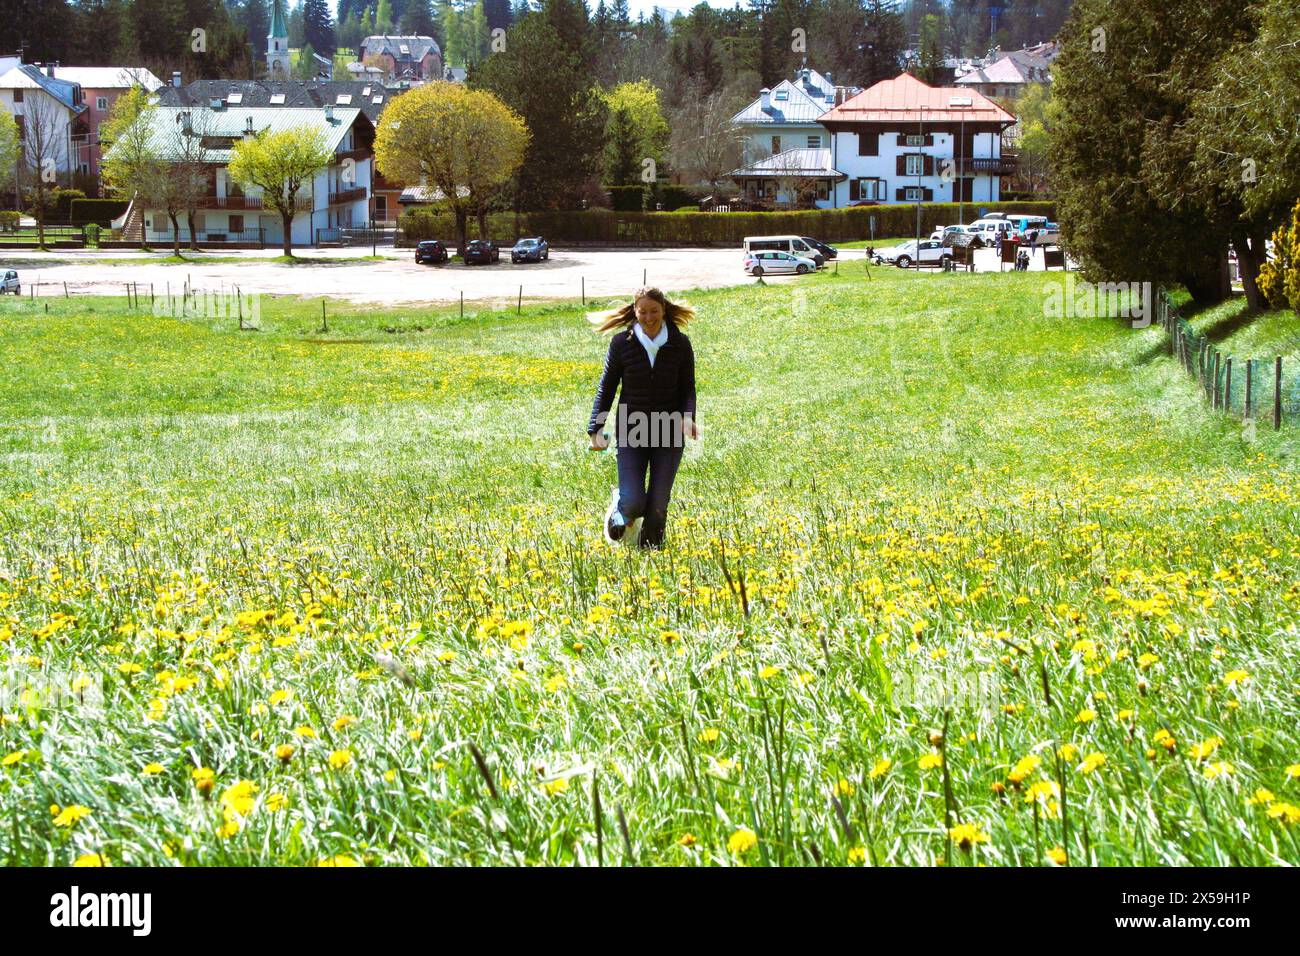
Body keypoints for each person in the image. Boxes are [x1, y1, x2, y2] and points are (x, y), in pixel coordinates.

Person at [587, 286, 700, 551]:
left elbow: (688, 387)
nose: (649, 317)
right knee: (635, 502)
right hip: (632, 430)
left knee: (659, 503)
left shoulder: (680, 343)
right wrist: (596, 427)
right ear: (634, 312)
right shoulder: (621, 344)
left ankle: (651, 554)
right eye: (643, 312)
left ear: (664, 311)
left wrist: (687, 418)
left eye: (654, 311)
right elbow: (607, 387)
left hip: (668, 431)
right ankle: (620, 505)